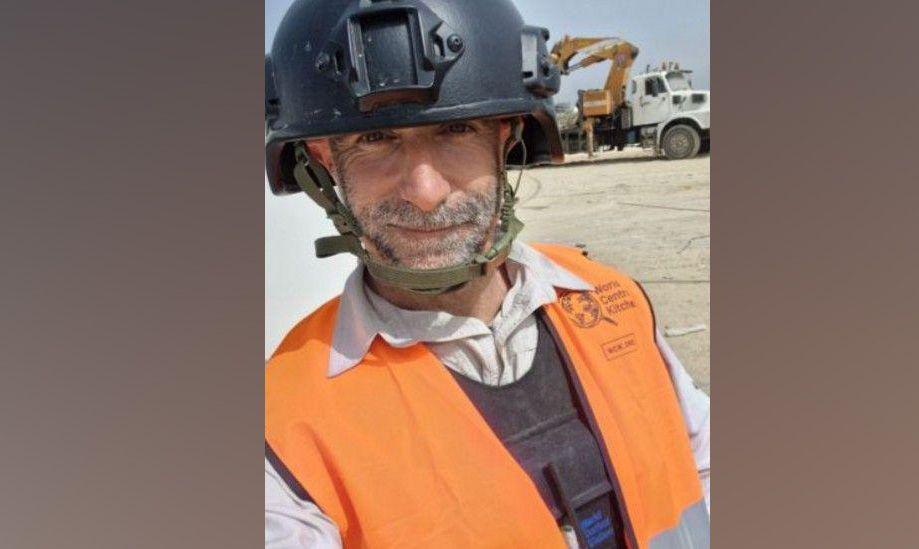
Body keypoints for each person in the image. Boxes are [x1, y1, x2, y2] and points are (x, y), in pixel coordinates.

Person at [264, 1, 710, 547]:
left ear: (506, 135)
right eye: (375, 141)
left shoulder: (611, 301)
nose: (426, 194)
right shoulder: (285, 423)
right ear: (323, 160)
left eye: (455, 129)